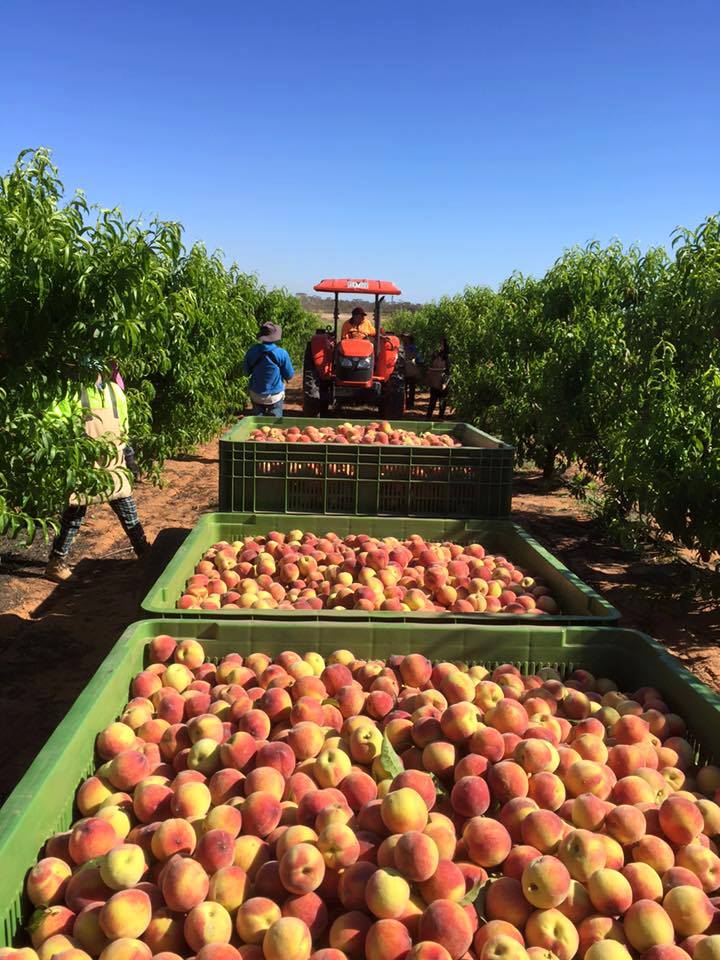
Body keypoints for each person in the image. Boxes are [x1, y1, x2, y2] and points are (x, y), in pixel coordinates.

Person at [45, 369, 151, 583]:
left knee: (127, 507)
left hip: (113, 460)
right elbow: (54, 421)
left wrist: (129, 457)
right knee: (75, 512)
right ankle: (56, 563)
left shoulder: (114, 391)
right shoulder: (71, 391)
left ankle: (144, 552)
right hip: (83, 461)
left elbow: (123, 426)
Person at [243, 322, 295, 416]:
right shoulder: (282, 353)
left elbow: (246, 372)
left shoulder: (252, 351)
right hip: (275, 396)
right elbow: (289, 375)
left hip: (256, 394)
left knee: (257, 425)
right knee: (275, 426)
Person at [426, 338, 451, 420]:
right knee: (432, 401)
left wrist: (445, 383)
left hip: (442, 381)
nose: (440, 346)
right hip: (434, 380)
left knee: (442, 401)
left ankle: (440, 417)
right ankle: (428, 417)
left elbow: (448, 371)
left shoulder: (447, 357)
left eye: (442, 344)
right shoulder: (437, 355)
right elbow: (431, 364)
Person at [402, 334, 423, 409]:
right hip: (408, 370)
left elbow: (419, 358)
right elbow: (420, 359)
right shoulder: (404, 347)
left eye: (405, 338)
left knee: (409, 388)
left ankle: (408, 403)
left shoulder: (411, 348)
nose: (404, 339)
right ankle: (408, 403)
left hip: (409, 370)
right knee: (408, 388)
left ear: (409, 339)